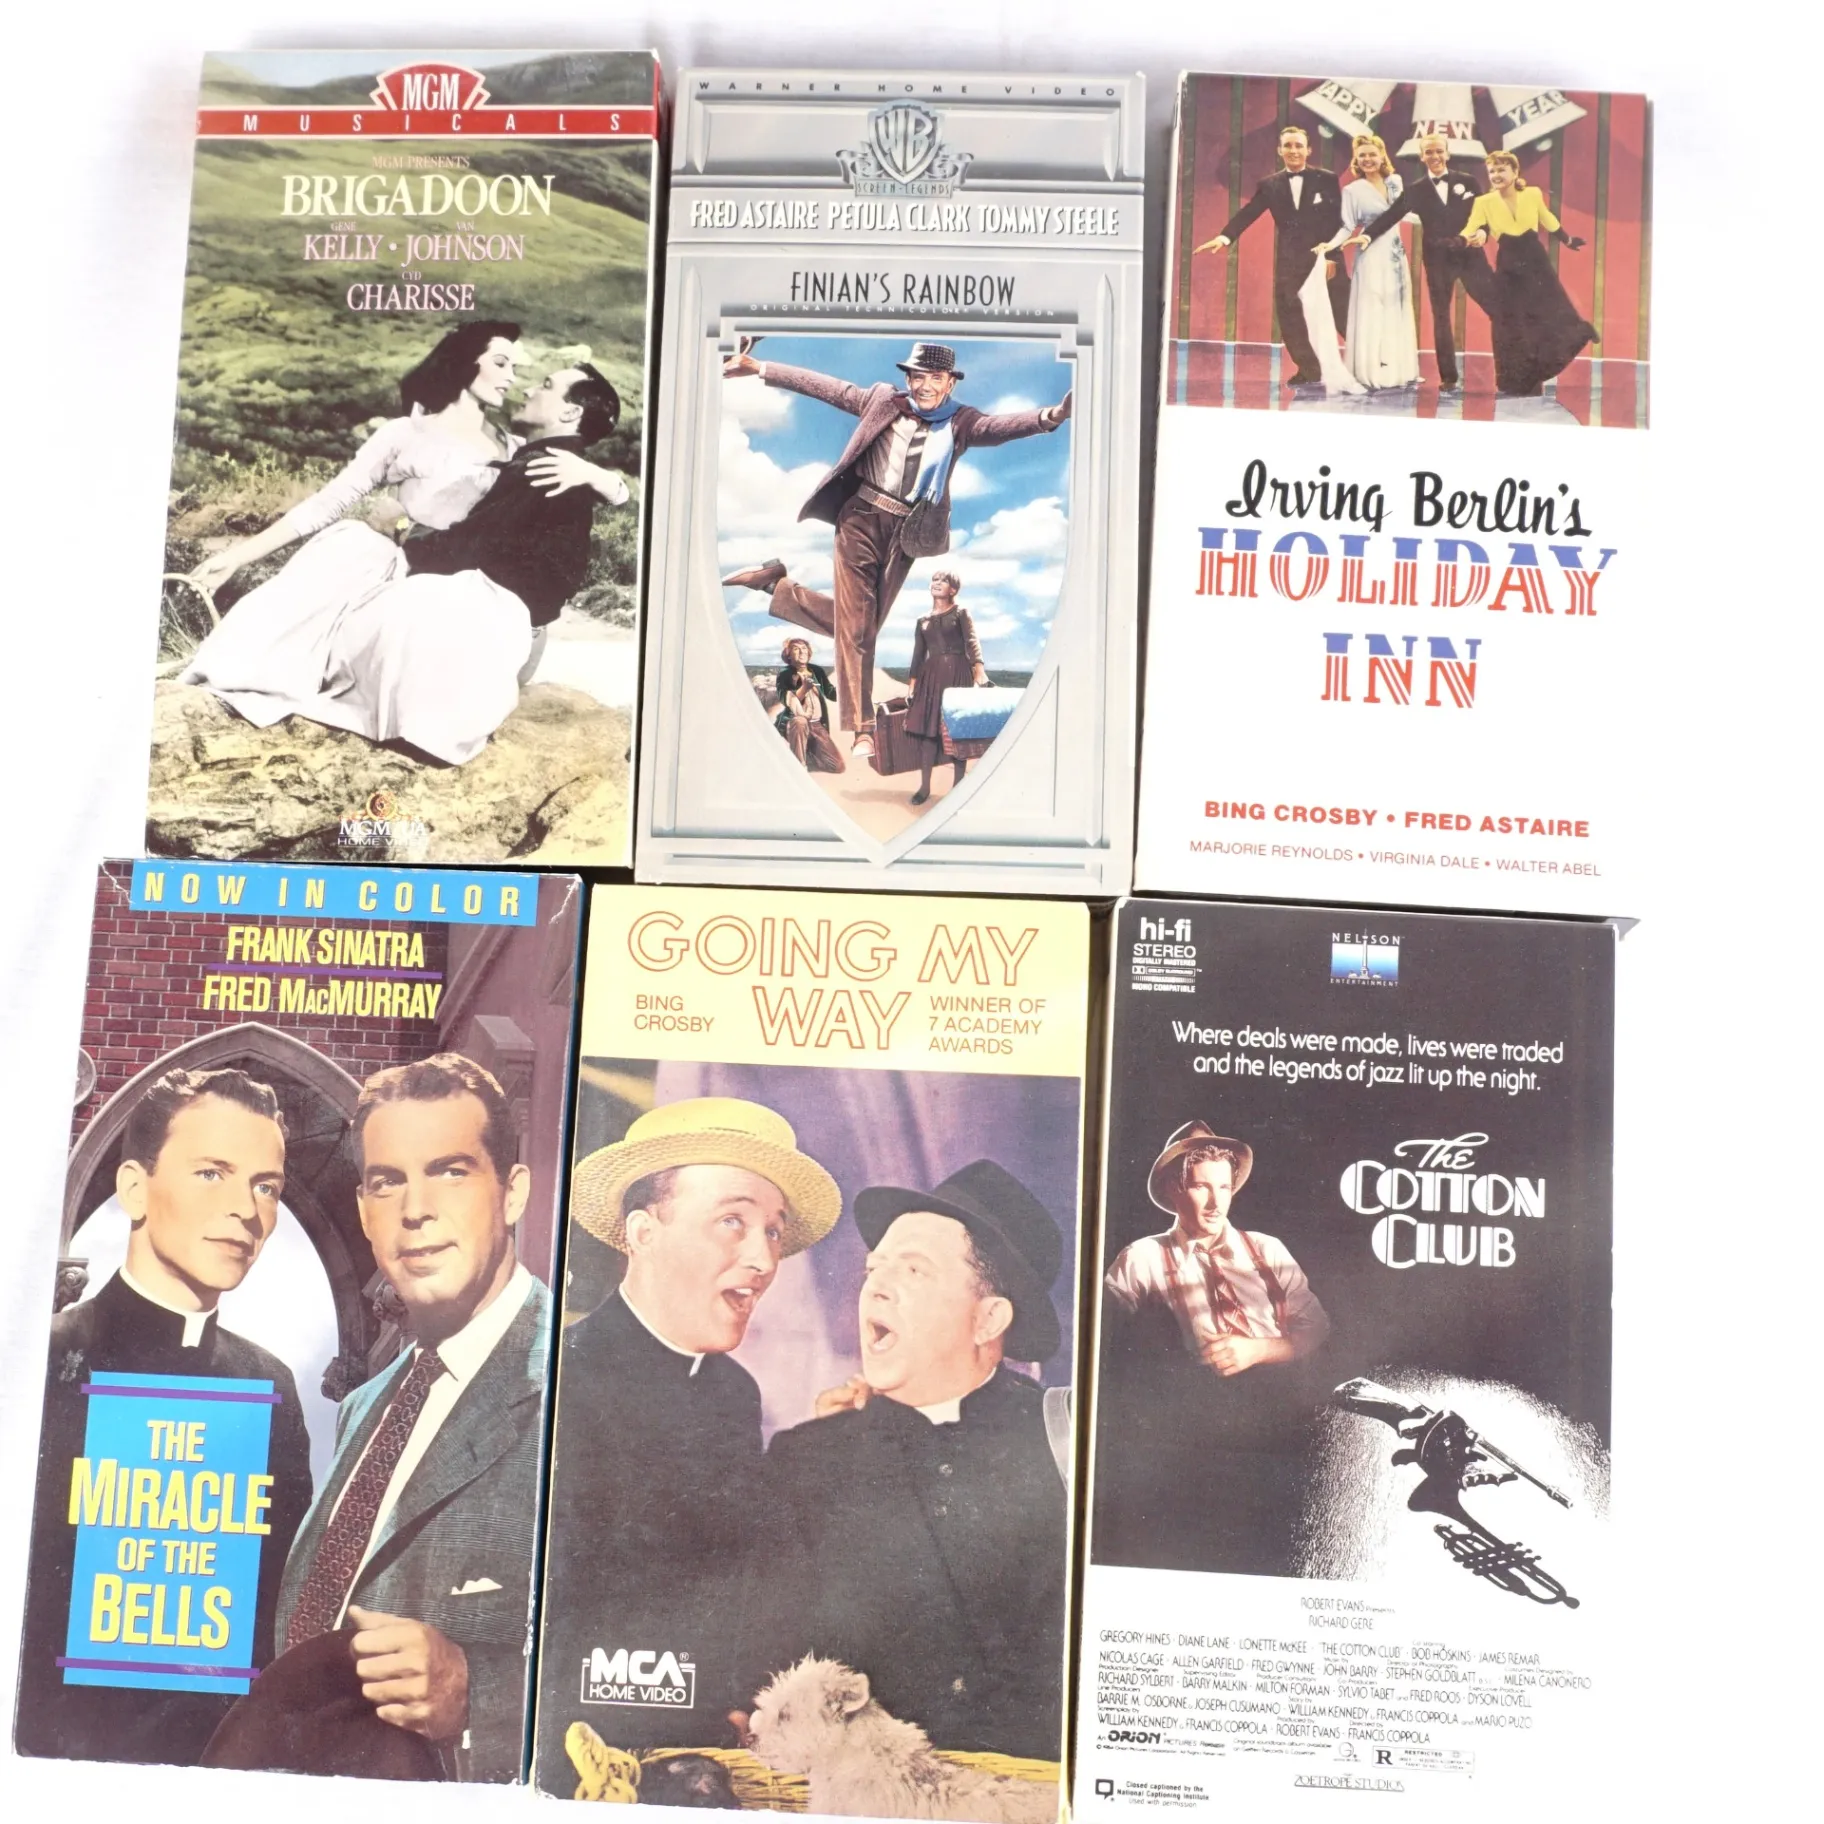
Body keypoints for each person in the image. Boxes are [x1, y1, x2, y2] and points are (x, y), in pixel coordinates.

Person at [532, 1099, 841, 1773]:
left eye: (773, 1231)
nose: (763, 1258)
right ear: (643, 1233)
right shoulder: (558, 1381)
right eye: (733, 1222)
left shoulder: (734, 1393)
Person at [16, 1068, 313, 1766]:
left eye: (266, 1187)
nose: (245, 1210)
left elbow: (281, 1614)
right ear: (134, 1188)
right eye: (212, 1173)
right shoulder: (41, 1359)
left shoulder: (269, 1385)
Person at [266, 1055, 551, 1782]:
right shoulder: (365, 1404)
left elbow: (665, 1654)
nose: (415, 1209)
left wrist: (478, 1693)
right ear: (365, 1210)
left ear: (513, 1193)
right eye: (387, 1181)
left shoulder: (577, 1385)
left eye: (450, 1171)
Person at [179, 323, 629, 762]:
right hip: (405, 574)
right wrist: (238, 556)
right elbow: (328, 502)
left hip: (465, 597)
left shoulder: (515, 447)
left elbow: (570, 490)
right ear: (465, 362)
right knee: (343, 553)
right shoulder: (405, 433)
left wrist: (601, 478)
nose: (514, 378)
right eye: (501, 363)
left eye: (517, 367)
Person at [750, 1161, 1070, 1764]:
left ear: (989, 1318)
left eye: (915, 1269)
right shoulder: (803, 1462)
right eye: (874, 1269)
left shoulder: (1069, 1443)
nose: (875, 1287)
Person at [720, 341, 1069, 757]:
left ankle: (775, 585)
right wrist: (760, 367)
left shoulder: (960, 422)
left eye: (935, 378)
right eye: (918, 377)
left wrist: (1051, 416)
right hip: (860, 517)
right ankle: (863, 728)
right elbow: (826, 387)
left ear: (950, 383)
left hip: (908, 533)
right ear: (908, 378)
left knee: (860, 627)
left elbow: (999, 427)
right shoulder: (883, 401)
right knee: (856, 631)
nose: (925, 386)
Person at [1103, 1122, 1329, 1374]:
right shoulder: (1142, 1257)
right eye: (1201, 1186)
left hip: (1277, 1388)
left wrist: (1260, 1350)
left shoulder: (1267, 1249)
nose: (1216, 1203)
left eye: (1224, 1187)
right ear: (1172, 1189)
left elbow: (1316, 1326)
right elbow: (1101, 1333)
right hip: (1195, 1392)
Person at [1195, 124, 1350, 390]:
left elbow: (1337, 220)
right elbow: (1249, 212)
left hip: (1325, 256)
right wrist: (1224, 237)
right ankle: (1309, 369)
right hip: (1290, 260)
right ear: (1280, 151)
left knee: (1342, 311)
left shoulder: (1327, 179)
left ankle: (1371, 364)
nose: (1293, 150)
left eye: (1299, 145)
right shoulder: (1270, 184)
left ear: (1309, 150)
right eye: (1288, 145)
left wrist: (1332, 257)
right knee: (1289, 312)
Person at [1360, 131, 1495, 391]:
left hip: (1471, 256)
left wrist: (1483, 232)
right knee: (1441, 316)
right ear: (1422, 156)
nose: (1435, 156)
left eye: (1439, 151)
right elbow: (1390, 216)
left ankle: (1512, 371)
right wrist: (1366, 237)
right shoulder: (1416, 190)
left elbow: (1484, 215)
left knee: (1496, 308)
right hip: (1437, 259)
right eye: (1429, 152)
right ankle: (1448, 378)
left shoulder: (1468, 181)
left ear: (1448, 154)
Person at [1460, 149, 1595, 396]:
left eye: (1501, 170)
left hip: (1535, 261)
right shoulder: (1483, 202)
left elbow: (1547, 218)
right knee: (1511, 322)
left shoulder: (1532, 194)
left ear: (1515, 172)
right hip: (1508, 265)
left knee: (1546, 313)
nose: (1496, 175)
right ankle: (1514, 381)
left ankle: (1576, 336)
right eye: (1492, 171)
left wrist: (1567, 239)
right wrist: (1464, 239)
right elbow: (1471, 227)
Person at [1329, 133, 1420, 391]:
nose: (1367, 159)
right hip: (1369, 255)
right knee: (1372, 308)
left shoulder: (1395, 182)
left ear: (1382, 156)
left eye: (1372, 154)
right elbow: (1347, 225)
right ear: (1356, 160)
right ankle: (1371, 372)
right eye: (1362, 155)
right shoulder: (1352, 190)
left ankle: (1399, 370)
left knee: (1396, 307)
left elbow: (1403, 214)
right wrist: (1330, 246)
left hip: (1395, 255)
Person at [906, 571, 988, 805]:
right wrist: (912, 685)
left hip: (958, 674)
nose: (937, 583)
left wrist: (979, 670)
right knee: (928, 733)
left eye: (943, 581)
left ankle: (958, 788)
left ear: (953, 589)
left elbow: (972, 642)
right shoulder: (922, 620)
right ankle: (924, 787)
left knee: (957, 732)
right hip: (930, 677)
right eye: (934, 580)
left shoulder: (961, 612)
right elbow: (918, 655)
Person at [773, 637, 845, 774]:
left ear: (809, 652)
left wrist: (847, 688)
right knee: (800, 721)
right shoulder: (785, 674)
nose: (801, 652)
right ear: (789, 654)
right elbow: (785, 699)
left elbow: (831, 693)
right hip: (796, 724)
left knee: (837, 766)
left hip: (817, 725)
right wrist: (804, 688)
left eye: (804, 648)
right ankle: (799, 766)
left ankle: (809, 752)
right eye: (796, 649)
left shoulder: (817, 671)